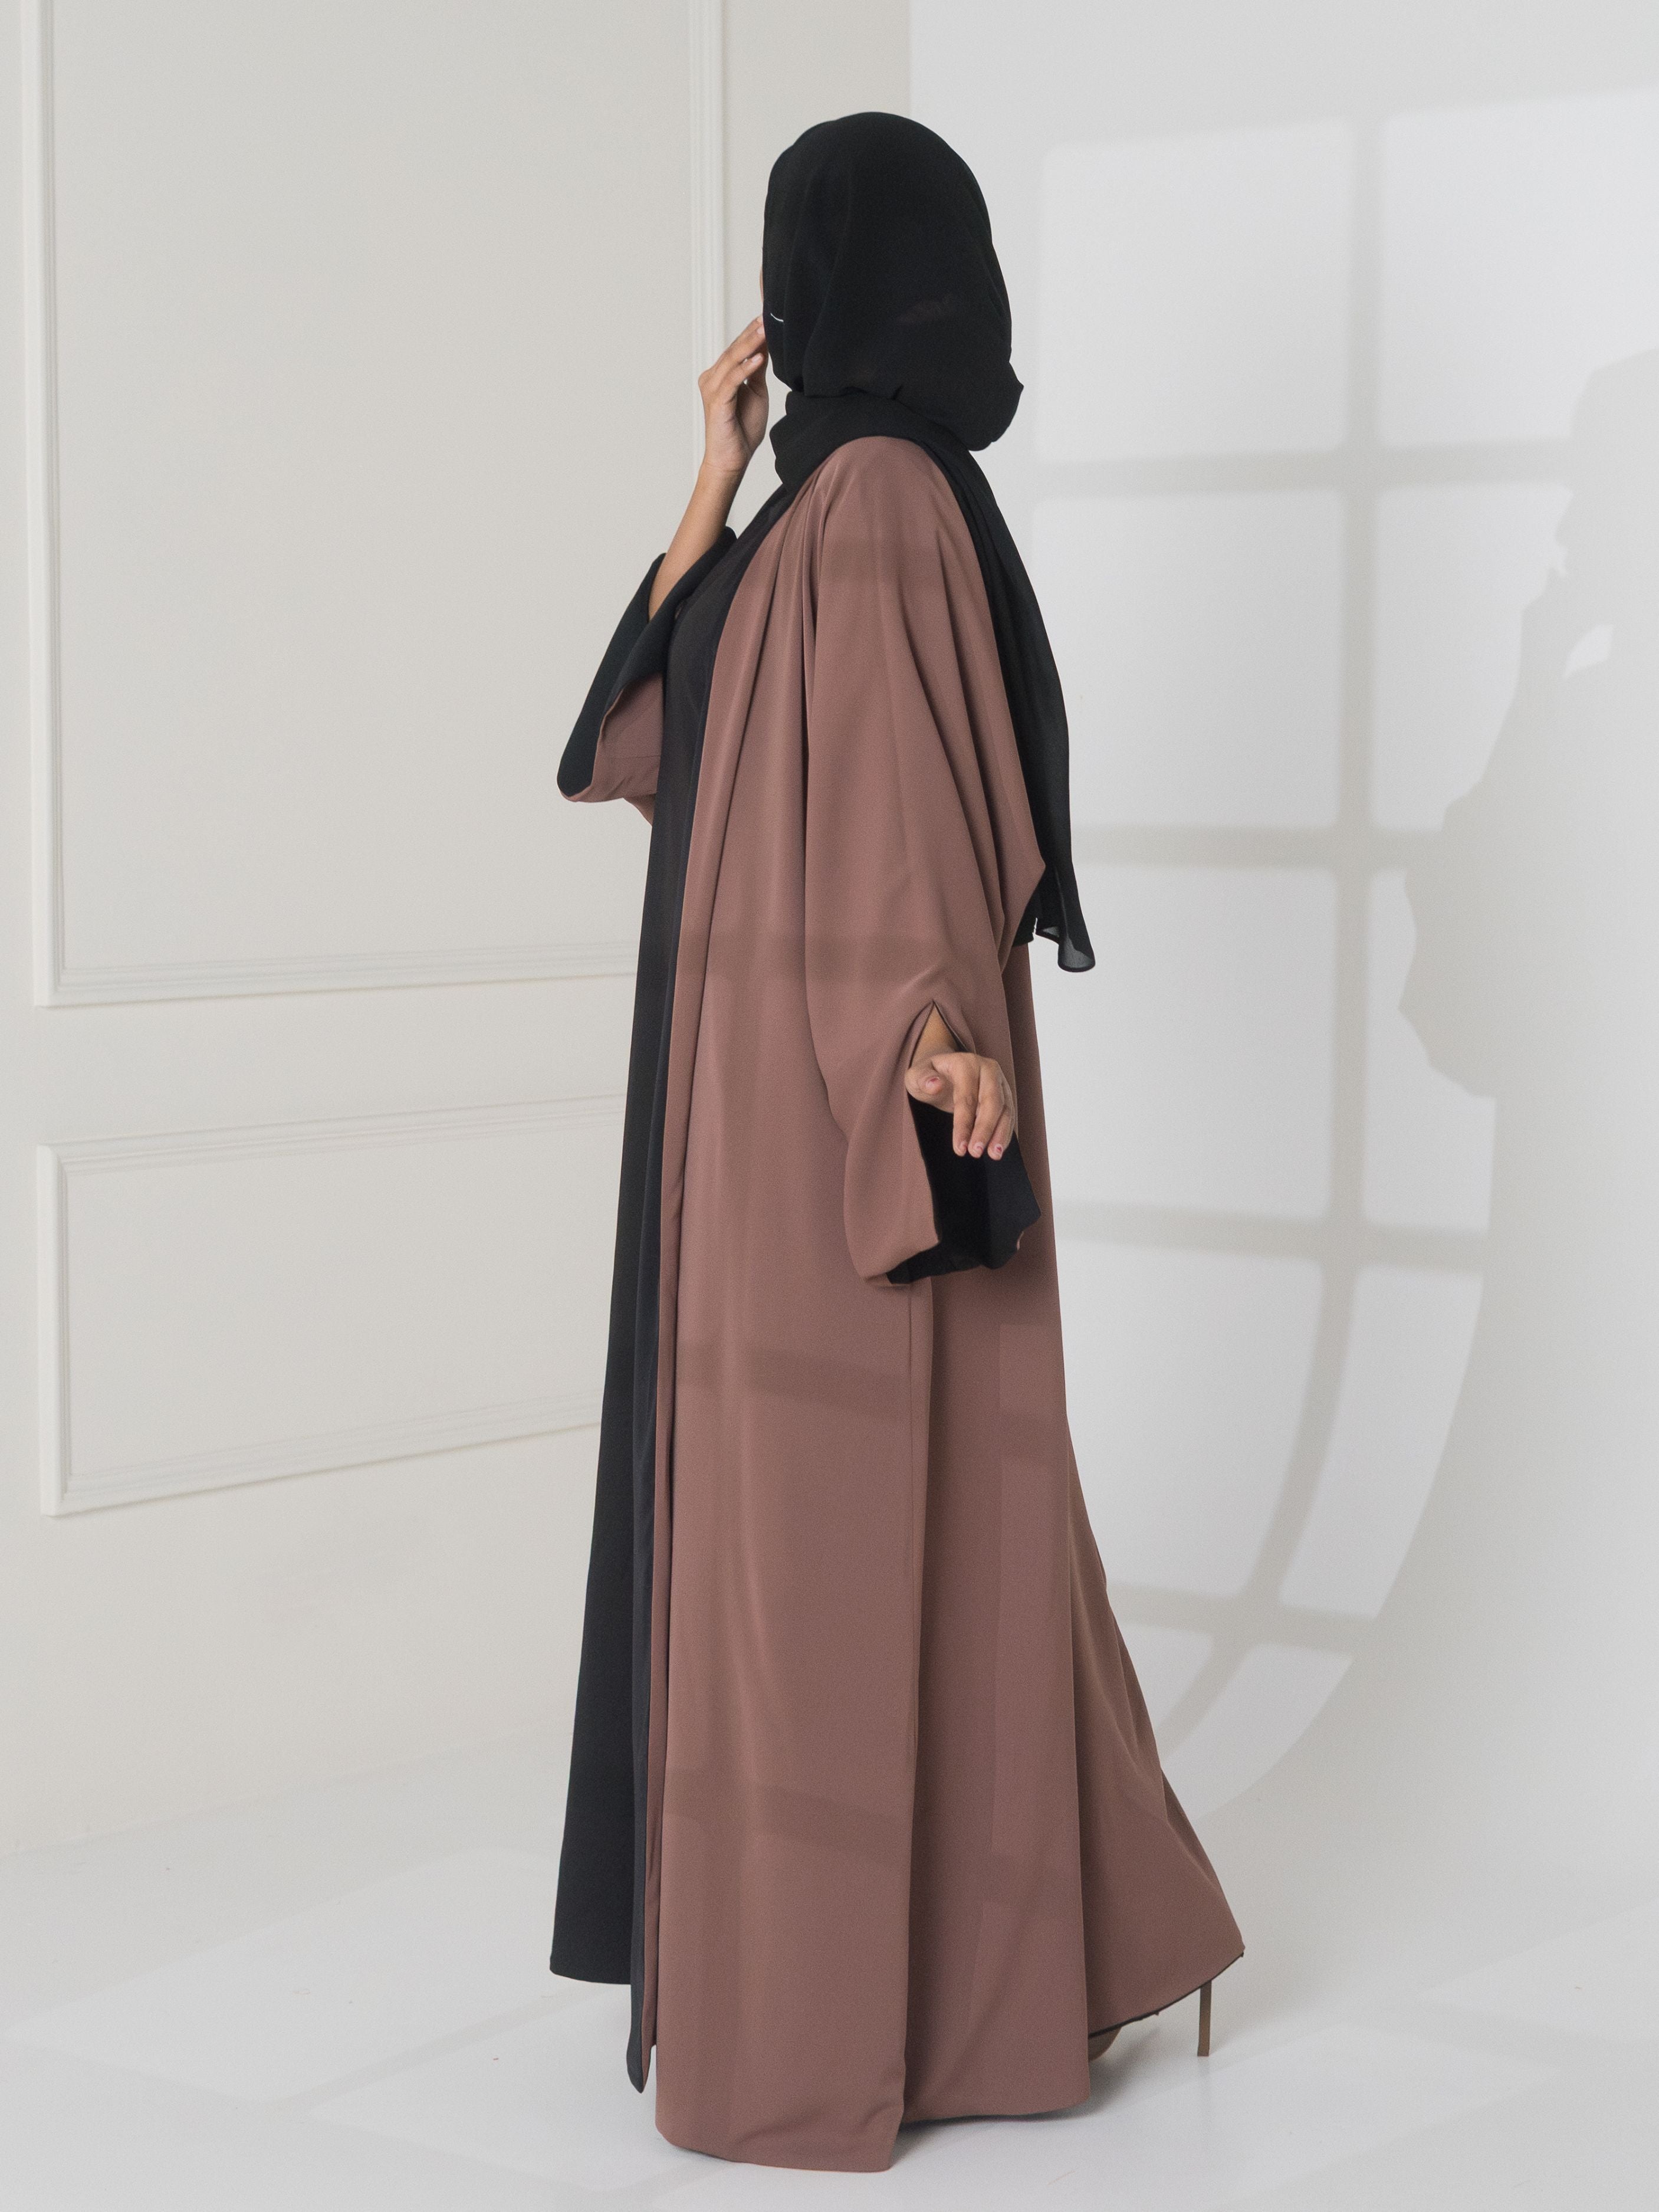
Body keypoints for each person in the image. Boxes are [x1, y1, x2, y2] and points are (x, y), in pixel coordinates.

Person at [549, 110, 1243, 2174]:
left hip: (815, 1111)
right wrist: (710, 481)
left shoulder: (861, 506)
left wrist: (924, 1032)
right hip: (810, 1099)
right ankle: (1058, 1959)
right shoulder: (838, 506)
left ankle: (884, 2007)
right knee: (926, 1523)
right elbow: (659, 756)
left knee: (849, 1544)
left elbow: (867, 798)